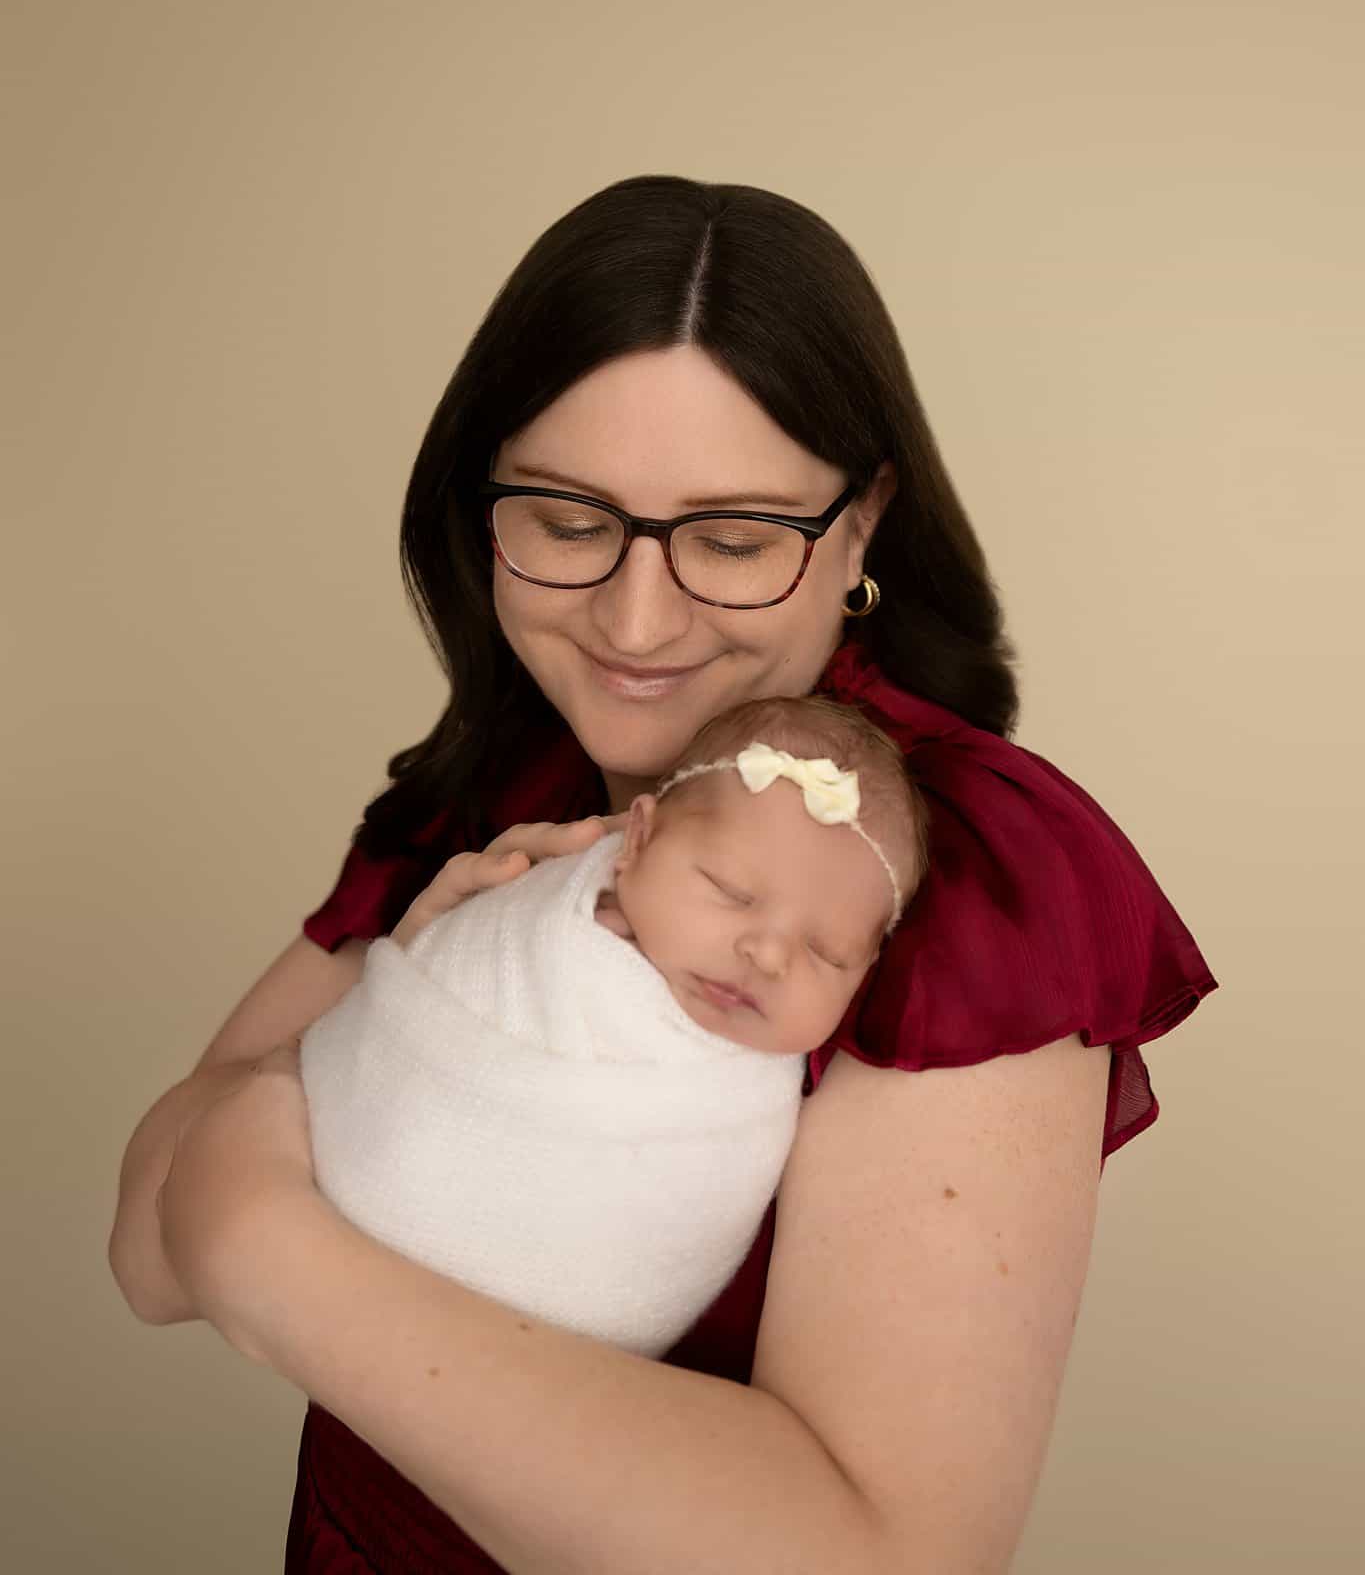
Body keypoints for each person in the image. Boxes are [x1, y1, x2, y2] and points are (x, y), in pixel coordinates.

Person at [109, 174, 1219, 1575]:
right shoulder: (511, 782)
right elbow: (146, 1257)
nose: (636, 622)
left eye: (736, 539)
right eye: (570, 523)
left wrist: (263, 1235)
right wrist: (273, 1143)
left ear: (863, 522)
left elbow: (878, 1558)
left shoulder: (954, 866)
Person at [298, 694, 929, 1359]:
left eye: (826, 953)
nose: (769, 956)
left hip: (561, 1366)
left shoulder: (779, 1081)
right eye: (730, 892)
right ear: (636, 840)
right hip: (363, 1220)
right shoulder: (537, 903)